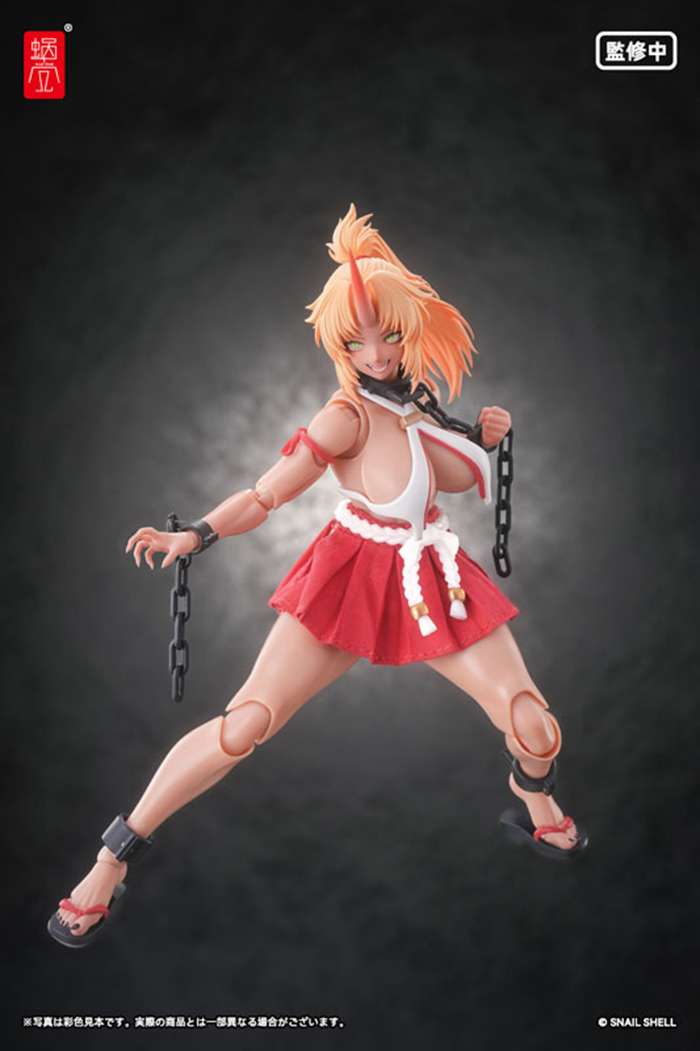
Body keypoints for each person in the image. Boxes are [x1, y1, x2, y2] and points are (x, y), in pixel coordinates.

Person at [49, 204, 585, 947]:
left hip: (433, 575)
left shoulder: (421, 404)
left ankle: (532, 793)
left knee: (535, 726)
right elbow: (267, 493)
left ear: (410, 329)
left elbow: (456, 476)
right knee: (245, 725)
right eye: (356, 340)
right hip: (350, 573)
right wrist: (196, 533)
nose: (376, 353)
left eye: (388, 334)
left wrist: (488, 438)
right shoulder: (345, 417)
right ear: (337, 345)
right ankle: (111, 858)